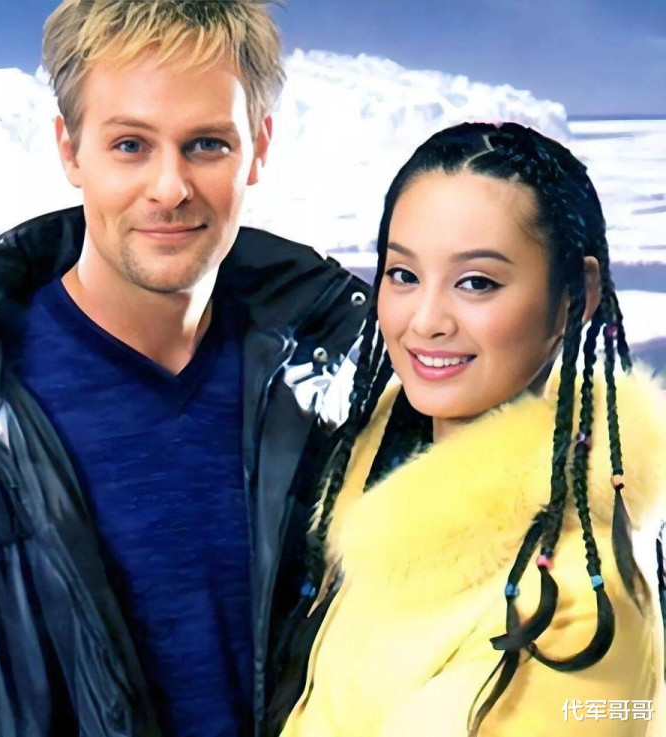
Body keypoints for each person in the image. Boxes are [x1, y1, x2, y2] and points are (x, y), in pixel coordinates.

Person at [0, 2, 367, 736]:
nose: (170, 187)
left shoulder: (328, 393)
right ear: (70, 150)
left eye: (206, 144)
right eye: (130, 145)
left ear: (258, 149)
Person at [277, 122, 666, 736]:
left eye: (476, 283)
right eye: (403, 275)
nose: (425, 320)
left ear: (577, 295)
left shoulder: (577, 602)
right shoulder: (369, 488)